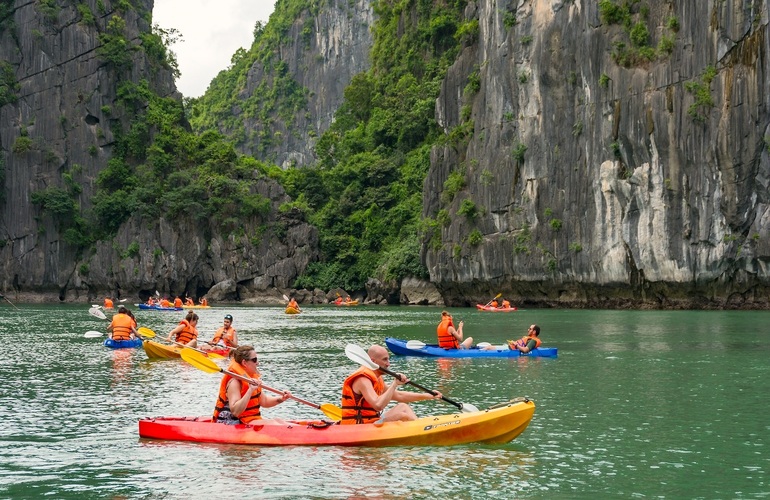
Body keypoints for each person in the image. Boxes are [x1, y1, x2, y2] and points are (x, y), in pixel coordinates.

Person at [340, 345, 442, 425]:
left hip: (372, 421)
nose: (388, 364)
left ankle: (419, 428)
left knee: (403, 406)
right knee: (401, 415)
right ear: (373, 361)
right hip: (359, 425)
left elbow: (399, 396)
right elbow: (378, 405)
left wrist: (428, 396)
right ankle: (421, 431)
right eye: (385, 359)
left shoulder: (377, 378)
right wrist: (394, 384)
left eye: (388, 359)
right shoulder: (362, 379)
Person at [212, 345, 291, 425]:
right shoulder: (234, 382)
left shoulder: (251, 379)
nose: (257, 363)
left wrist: (282, 398)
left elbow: (264, 401)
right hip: (235, 422)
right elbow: (235, 411)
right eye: (254, 360)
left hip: (251, 419)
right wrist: (250, 390)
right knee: (274, 423)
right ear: (244, 363)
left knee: (278, 421)